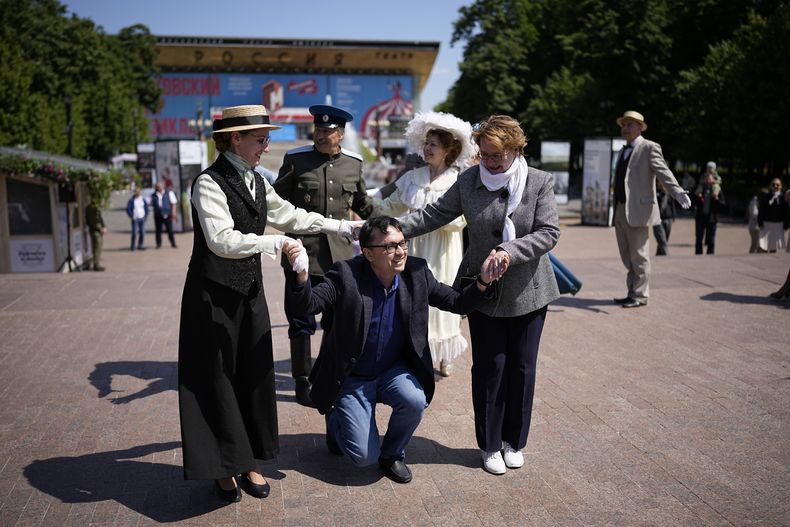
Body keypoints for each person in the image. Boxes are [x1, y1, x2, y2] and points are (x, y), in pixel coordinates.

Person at [178, 104, 356, 503]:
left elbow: (290, 214)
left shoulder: (258, 180)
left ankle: (249, 460)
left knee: (254, 375)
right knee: (218, 379)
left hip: (249, 291)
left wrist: (341, 225)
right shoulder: (208, 183)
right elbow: (221, 240)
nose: (266, 145)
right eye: (260, 139)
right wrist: (274, 242)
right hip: (212, 295)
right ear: (235, 139)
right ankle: (222, 469)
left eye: (267, 138)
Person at [393, 115, 561, 475]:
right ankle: (489, 444)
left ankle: (513, 441)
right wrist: (390, 230)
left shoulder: (539, 182)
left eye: (497, 155)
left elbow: (549, 232)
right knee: (490, 368)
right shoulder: (469, 180)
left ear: (517, 149)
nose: (489, 162)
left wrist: (510, 251)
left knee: (522, 367)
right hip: (482, 290)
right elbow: (433, 214)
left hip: (529, 291)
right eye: (484, 154)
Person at [283, 216, 499, 483]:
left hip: (391, 371)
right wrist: (302, 275)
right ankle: (337, 416)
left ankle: (393, 453)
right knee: (362, 457)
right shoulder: (345, 274)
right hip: (352, 377)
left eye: (402, 243)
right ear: (368, 253)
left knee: (414, 400)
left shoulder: (417, 273)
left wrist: (482, 282)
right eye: (390, 247)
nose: (400, 252)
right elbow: (308, 305)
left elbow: (456, 302)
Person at [273, 104, 375, 407]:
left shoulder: (353, 165)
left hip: (339, 259)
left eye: (327, 132)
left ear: (340, 135)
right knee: (301, 319)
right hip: (301, 254)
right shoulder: (296, 160)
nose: (321, 135)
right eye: (318, 130)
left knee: (336, 320)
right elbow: (276, 201)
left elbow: (364, 204)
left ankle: (327, 373)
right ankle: (302, 379)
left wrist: (388, 223)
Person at [370, 111, 477, 377]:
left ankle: (444, 355)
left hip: (443, 251)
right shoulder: (412, 177)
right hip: (414, 250)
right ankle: (416, 352)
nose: (427, 149)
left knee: (442, 296)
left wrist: (429, 217)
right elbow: (390, 206)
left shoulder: (459, 181)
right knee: (414, 298)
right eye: (426, 143)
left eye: (434, 145)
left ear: (448, 150)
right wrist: (366, 206)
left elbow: (461, 221)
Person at [612, 110, 691, 308]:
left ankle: (640, 295)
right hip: (621, 209)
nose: (626, 128)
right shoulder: (624, 150)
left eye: (630, 124)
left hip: (638, 211)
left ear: (640, 127)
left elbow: (663, 172)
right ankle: (632, 291)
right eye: (624, 124)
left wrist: (678, 192)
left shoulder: (649, 147)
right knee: (627, 254)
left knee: (639, 255)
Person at [694, 171, 725, 255]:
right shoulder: (700, 189)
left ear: (713, 180)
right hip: (700, 218)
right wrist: (697, 197)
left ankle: (710, 255)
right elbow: (693, 202)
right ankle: (698, 255)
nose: (708, 180)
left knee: (711, 239)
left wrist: (717, 199)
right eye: (706, 178)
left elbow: (723, 204)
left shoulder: (717, 190)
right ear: (704, 179)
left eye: (710, 178)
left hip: (712, 219)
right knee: (699, 239)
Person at [758, 178, 787, 252]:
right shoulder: (766, 197)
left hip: (778, 224)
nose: (775, 186)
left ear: (781, 186)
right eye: (773, 184)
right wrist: (760, 222)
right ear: (770, 186)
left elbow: (786, 212)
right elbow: (761, 210)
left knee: (774, 246)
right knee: (764, 245)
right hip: (767, 224)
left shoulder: (783, 198)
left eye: (777, 184)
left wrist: (786, 224)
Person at [152, 181, 178, 249]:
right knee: (158, 230)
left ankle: (173, 243)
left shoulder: (169, 193)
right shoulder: (154, 195)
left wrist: (173, 212)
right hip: (158, 215)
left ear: (163, 186)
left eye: (159, 186)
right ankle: (158, 244)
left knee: (170, 230)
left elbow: (174, 203)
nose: (158, 188)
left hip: (167, 214)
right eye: (157, 187)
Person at [653, 181, 676, 256]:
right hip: (658, 220)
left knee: (664, 240)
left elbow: (672, 205)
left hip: (668, 219)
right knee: (662, 241)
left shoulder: (669, 194)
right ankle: (667, 256)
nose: (662, 185)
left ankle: (658, 256)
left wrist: (673, 216)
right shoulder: (654, 192)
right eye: (660, 183)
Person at [85, 198, 106, 271]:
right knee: (97, 247)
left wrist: (104, 226)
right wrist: (100, 228)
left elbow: (100, 218)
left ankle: (96, 263)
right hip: (95, 230)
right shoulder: (92, 208)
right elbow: (94, 221)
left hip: (94, 229)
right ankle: (96, 264)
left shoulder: (92, 207)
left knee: (96, 247)